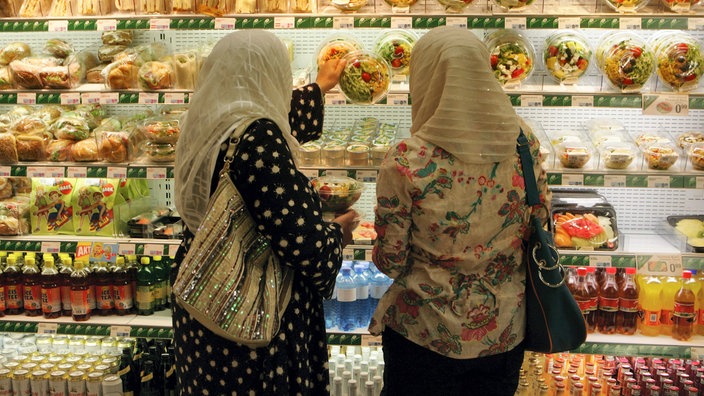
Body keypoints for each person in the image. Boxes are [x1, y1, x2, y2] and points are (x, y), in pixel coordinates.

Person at [173, 30, 360, 395]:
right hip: (251, 316)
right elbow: (304, 244)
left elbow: (274, 125)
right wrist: (338, 232)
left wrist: (320, 87)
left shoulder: (203, 124)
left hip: (203, 297)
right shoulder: (260, 136)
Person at [368, 26, 550, 396]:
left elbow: (390, 260)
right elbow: (540, 219)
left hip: (424, 334)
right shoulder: (522, 141)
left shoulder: (407, 158)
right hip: (502, 333)